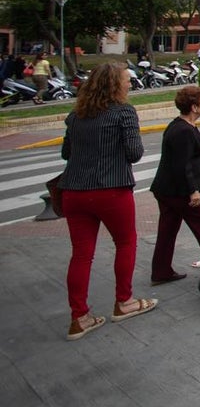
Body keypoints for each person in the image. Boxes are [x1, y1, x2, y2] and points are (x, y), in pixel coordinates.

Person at [58, 62, 156, 341]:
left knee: (81, 254)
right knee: (125, 243)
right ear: (115, 85)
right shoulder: (123, 112)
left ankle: (79, 317)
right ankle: (123, 302)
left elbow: (67, 153)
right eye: (126, 80)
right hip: (111, 189)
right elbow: (134, 153)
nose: (129, 84)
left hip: (74, 192)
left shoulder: (76, 115)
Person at [149, 85, 200, 285]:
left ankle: (161, 271)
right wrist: (193, 190)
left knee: (168, 230)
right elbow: (182, 164)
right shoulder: (183, 130)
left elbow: (186, 161)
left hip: (167, 189)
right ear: (194, 107)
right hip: (180, 191)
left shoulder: (180, 125)